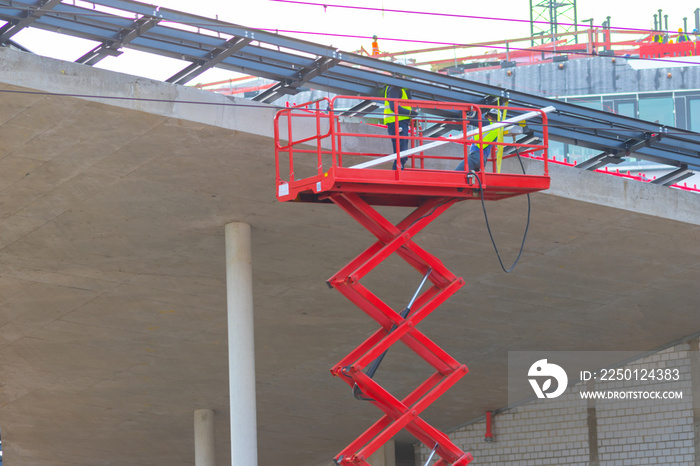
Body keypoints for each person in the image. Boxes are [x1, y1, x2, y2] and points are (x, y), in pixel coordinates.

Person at [383, 84, 416, 169]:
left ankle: (398, 174)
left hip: (400, 122)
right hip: (396, 122)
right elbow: (393, 107)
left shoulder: (400, 87)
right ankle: (397, 175)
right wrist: (409, 113)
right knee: (401, 155)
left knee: (402, 154)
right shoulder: (394, 87)